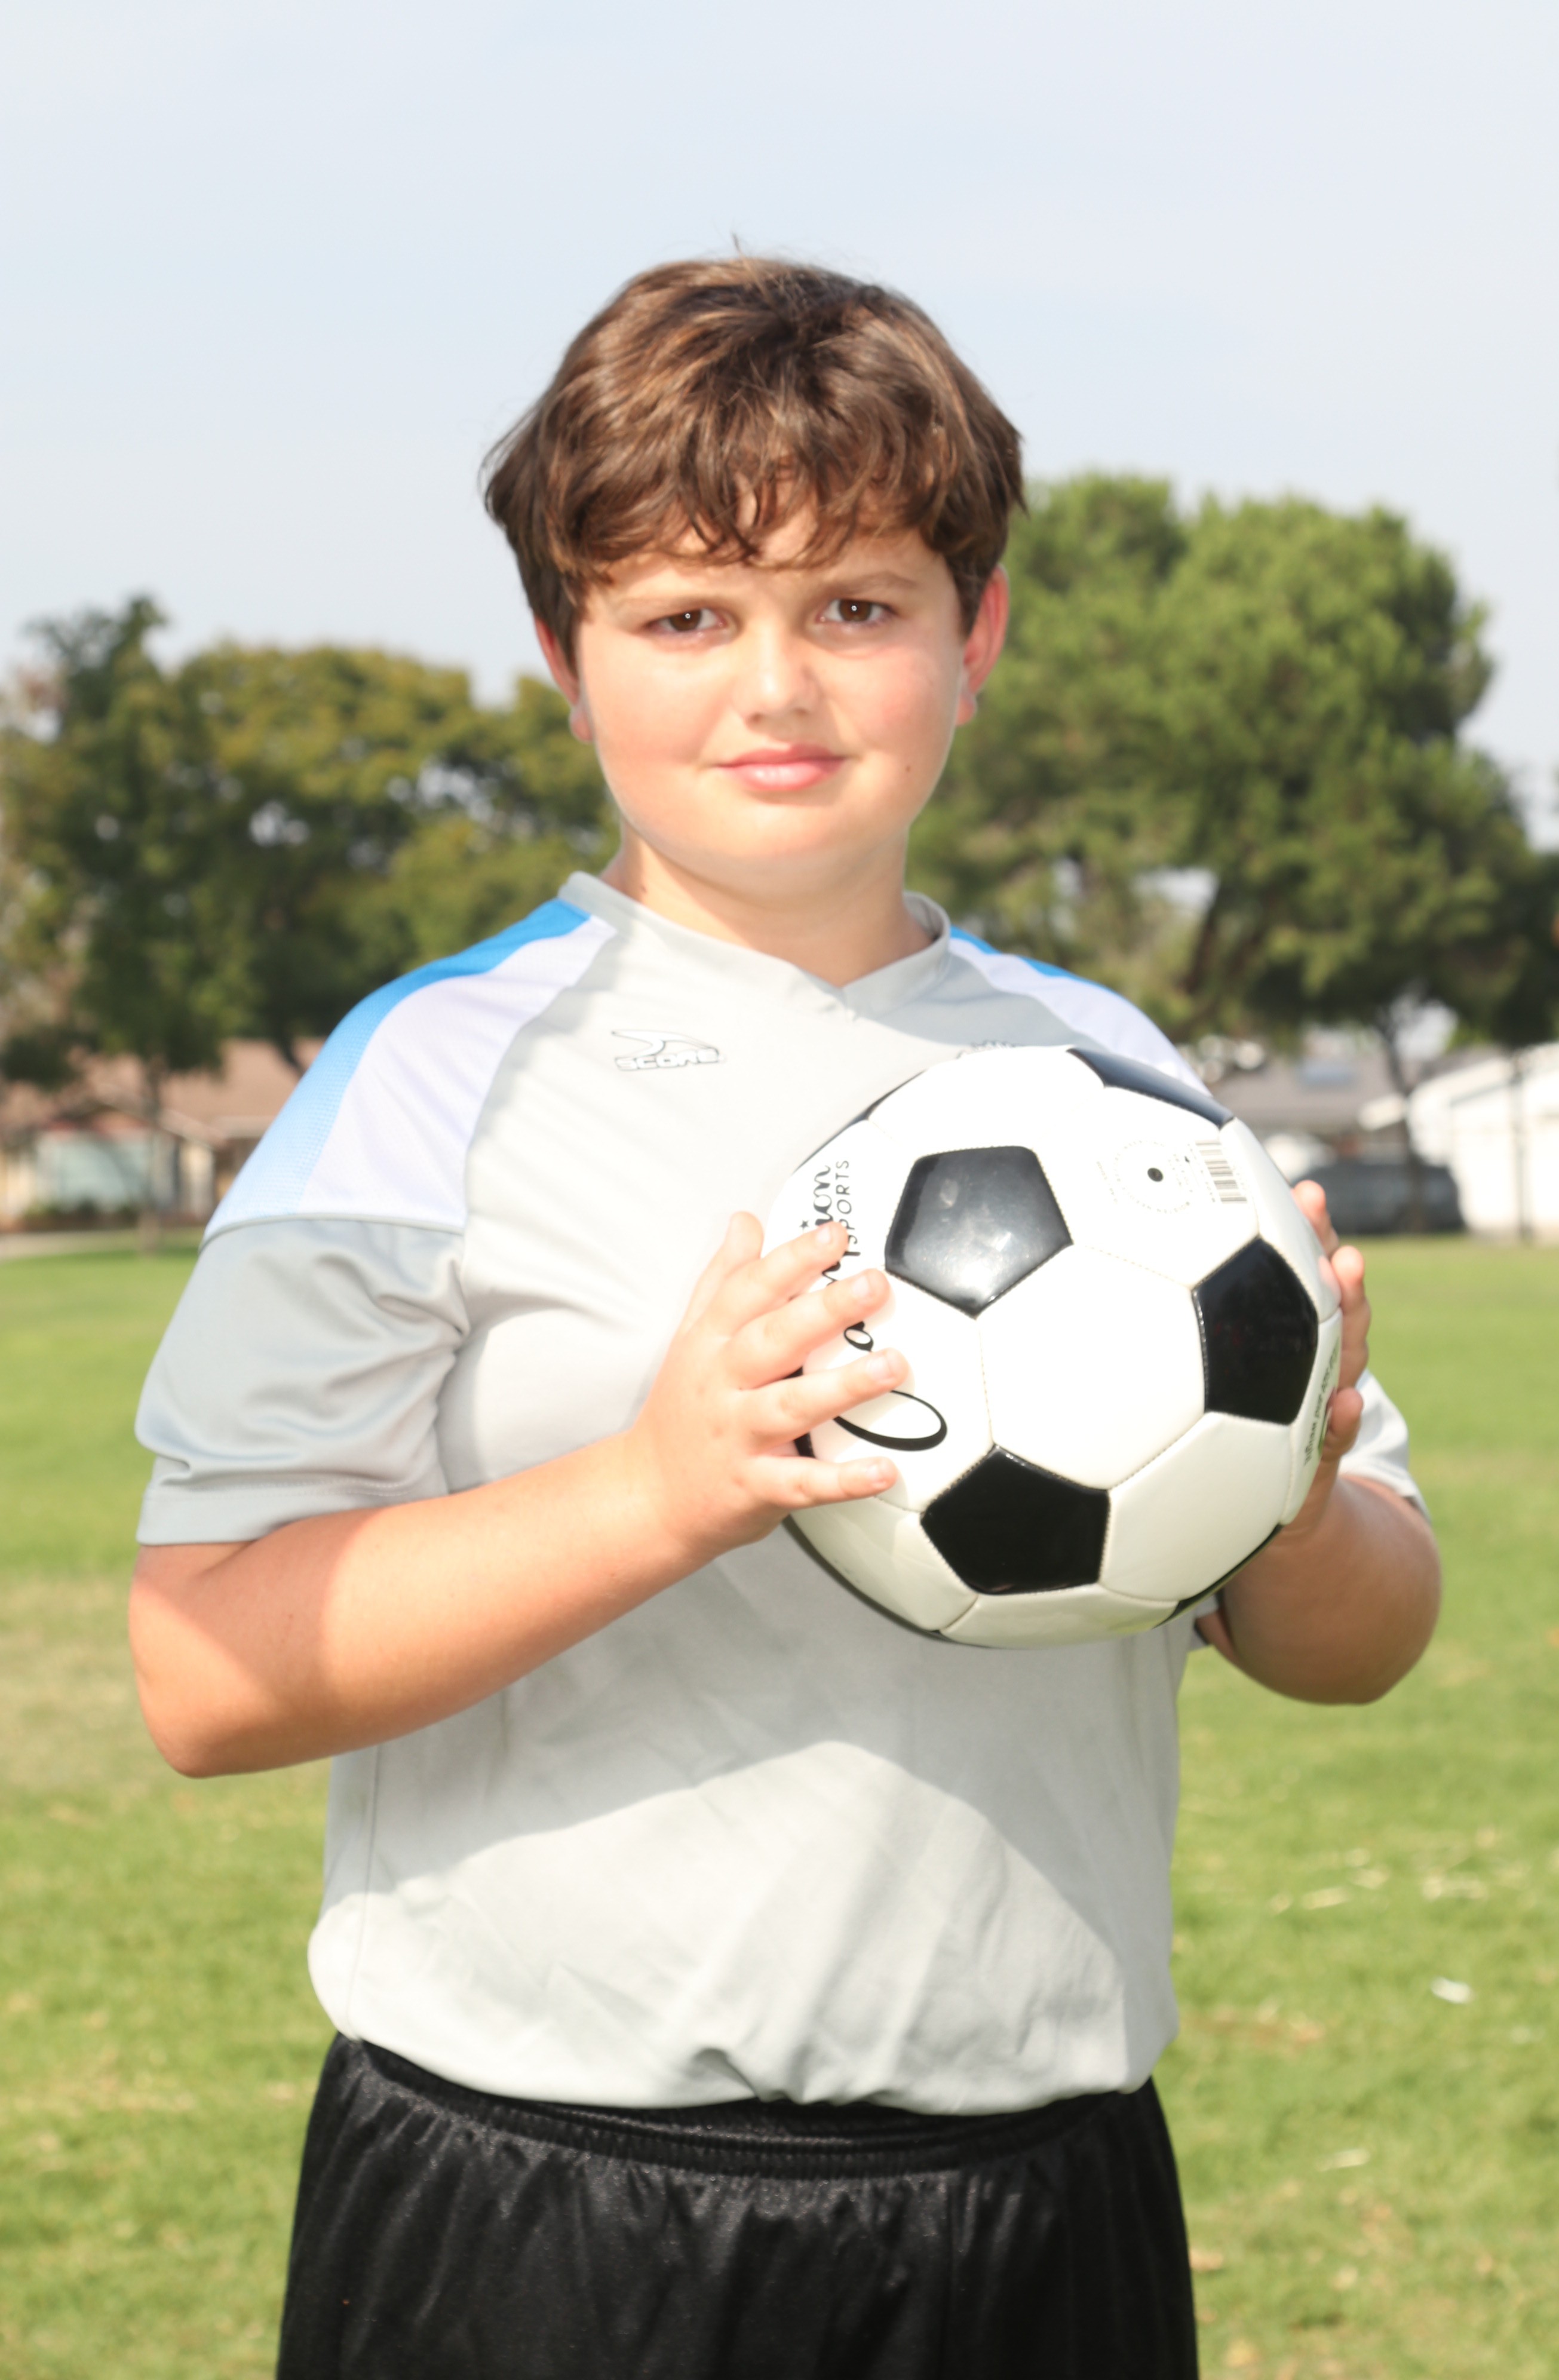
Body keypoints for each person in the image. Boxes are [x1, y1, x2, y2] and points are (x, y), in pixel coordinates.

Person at [129, 258, 1441, 2379]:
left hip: (1040, 2195)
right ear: (565, 659)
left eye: (856, 605)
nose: (777, 687)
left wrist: (1289, 1498)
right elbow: (202, 1672)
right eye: (682, 617)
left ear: (973, 637)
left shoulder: (1121, 1081)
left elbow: (1364, 1636)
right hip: (540, 2201)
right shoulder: (428, 1080)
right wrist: (659, 1488)